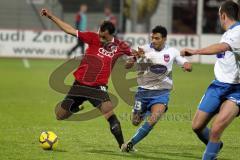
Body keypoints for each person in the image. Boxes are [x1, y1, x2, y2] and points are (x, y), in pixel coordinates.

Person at [40, 8, 138, 149]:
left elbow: (130, 62)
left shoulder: (121, 46)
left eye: (103, 36)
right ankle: (76, 107)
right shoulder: (93, 37)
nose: (100, 38)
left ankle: (123, 145)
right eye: (99, 34)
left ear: (110, 35)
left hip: (98, 88)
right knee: (60, 115)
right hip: (79, 85)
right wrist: (51, 16)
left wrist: (134, 59)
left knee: (110, 114)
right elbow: (70, 30)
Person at [181, 1, 240, 159]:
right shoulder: (229, 33)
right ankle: (216, 146)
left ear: (222, 15)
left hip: (236, 90)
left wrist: (195, 51)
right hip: (217, 86)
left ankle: (210, 152)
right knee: (197, 126)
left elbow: (222, 48)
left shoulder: (238, 31)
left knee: (215, 129)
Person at [121, 25, 192, 152]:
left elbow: (185, 63)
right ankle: (144, 112)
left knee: (152, 120)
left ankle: (130, 144)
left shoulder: (172, 51)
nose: (153, 40)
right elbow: (127, 65)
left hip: (162, 93)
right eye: (152, 37)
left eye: (157, 38)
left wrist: (187, 66)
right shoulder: (143, 49)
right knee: (135, 121)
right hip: (143, 91)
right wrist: (133, 59)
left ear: (164, 39)